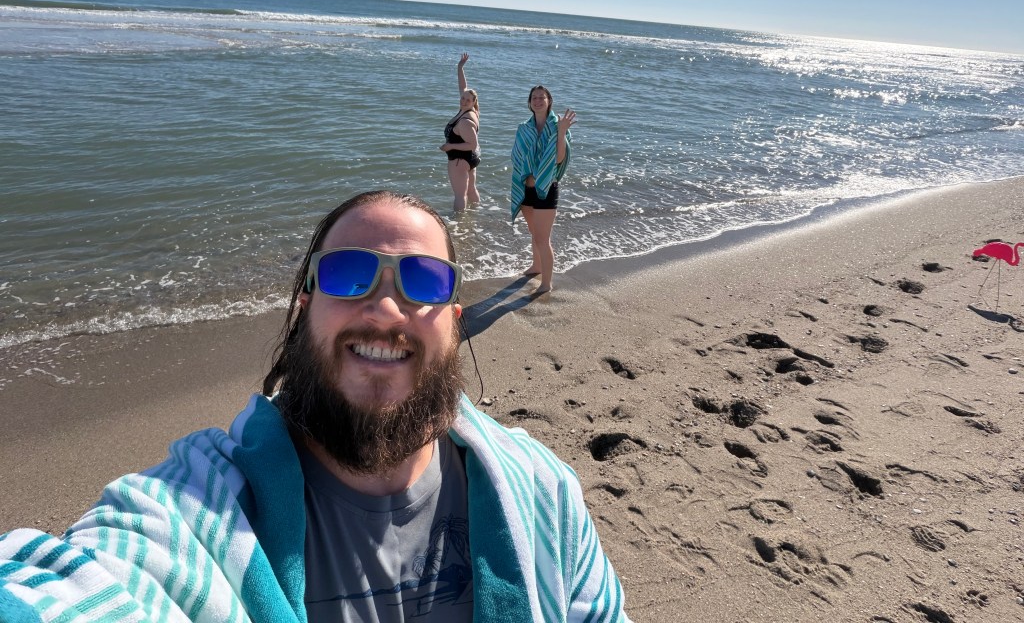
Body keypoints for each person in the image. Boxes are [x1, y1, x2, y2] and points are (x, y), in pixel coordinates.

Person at [0, 190, 629, 622]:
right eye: (349, 274)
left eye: (423, 281)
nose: (385, 309)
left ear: (455, 322)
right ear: (304, 313)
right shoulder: (200, 512)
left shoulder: (544, 493)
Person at [510, 85, 576, 293]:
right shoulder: (524, 128)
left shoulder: (558, 126)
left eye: (542, 97)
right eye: (534, 98)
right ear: (529, 103)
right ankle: (536, 266)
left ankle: (546, 283)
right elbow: (517, 157)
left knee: (542, 238)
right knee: (533, 232)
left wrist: (563, 131)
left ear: (549, 101)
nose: (538, 100)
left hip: (546, 188)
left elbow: (558, 159)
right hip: (526, 187)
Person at [440, 53, 481, 211]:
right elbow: (463, 87)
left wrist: (450, 147)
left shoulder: (464, 120)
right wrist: (460, 67)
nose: (463, 101)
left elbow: (472, 144)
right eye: (462, 98)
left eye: (467, 100)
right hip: (470, 160)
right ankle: (478, 214)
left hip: (459, 160)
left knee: (459, 195)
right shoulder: (470, 110)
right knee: (471, 190)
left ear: (473, 102)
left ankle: (459, 226)